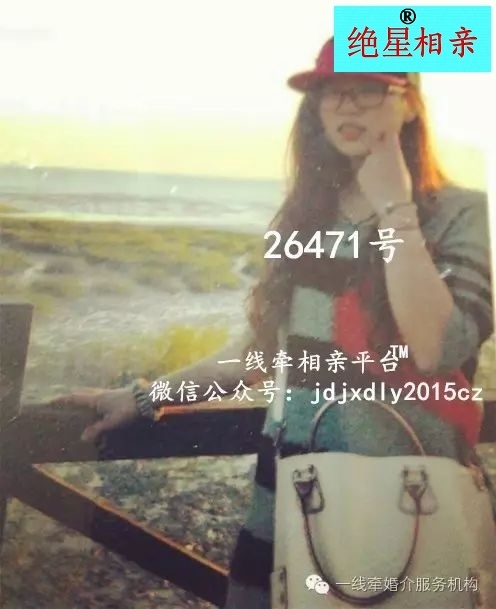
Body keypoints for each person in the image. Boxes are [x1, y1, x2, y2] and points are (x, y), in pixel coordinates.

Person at [48, 37, 496, 609]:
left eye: (367, 89)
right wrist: (144, 397)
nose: (347, 104)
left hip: (414, 497)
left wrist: (395, 208)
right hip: (297, 492)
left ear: (408, 104)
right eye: (331, 92)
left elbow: (438, 345)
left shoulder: (458, 212)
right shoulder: (306, 217)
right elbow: (259, 354)